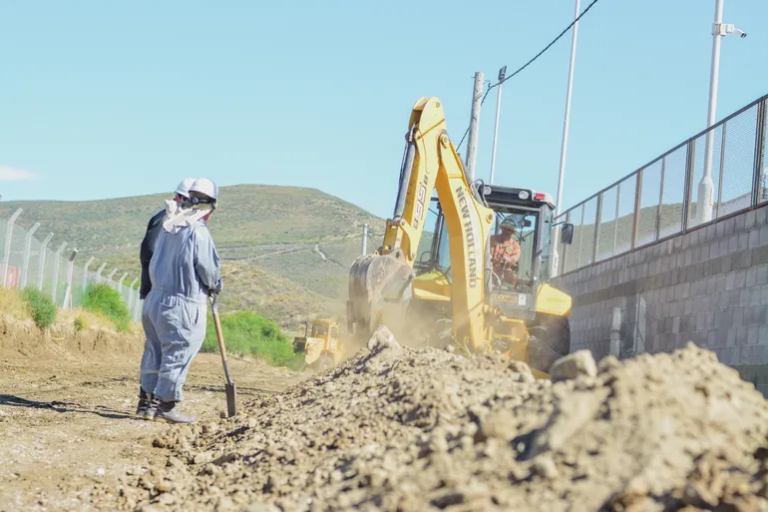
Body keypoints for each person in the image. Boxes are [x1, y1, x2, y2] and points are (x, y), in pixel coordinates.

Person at [136, 177, 222, 423]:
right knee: (180, 350)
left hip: (154, 300)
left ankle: (147, 402)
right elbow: (208, 270)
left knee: (154, 351)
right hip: (181, 303)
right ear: (209, 207)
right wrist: (215, 284)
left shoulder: (169, 225)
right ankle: (165, 406)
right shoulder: (198, 232)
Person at [139, 178, 196, 301]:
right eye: (188, 202)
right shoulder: (165, 220)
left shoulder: (181, 220)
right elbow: (149, 252)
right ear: (178, 197)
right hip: (160, 292)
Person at [490, 216, 522, 285]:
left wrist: (510, 259)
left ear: (512, 232)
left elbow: (516, 256)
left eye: (509, 230)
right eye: (505, 229)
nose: (507, 231)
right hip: (489, 268)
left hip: (505, 271)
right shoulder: (492, 239)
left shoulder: (515, 245)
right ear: (502, 228)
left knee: (513, 278)